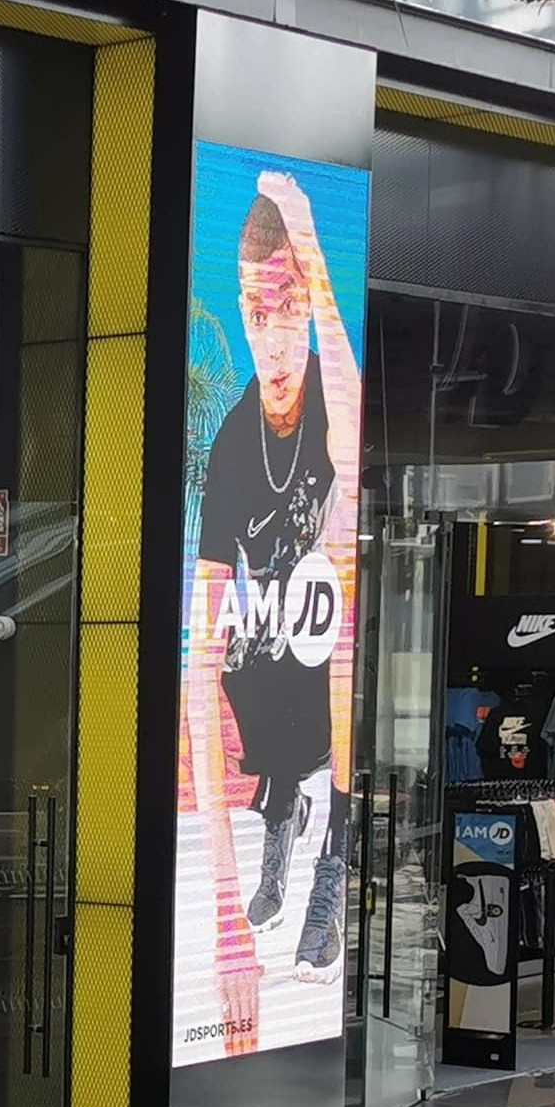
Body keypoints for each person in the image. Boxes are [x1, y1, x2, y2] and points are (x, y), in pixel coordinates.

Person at [185, 174, 361, 1052]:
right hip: (277, 666)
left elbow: (353, 426)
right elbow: (196, 670)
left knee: (341, 617)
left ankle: (330, 849)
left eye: (289, 308)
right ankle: (278, 813)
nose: (273, 336)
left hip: (330, 647)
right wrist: (222, 912)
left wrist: (303, 228)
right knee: (233, 644)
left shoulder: (334, 398)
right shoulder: (230, 443)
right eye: (259, 314)